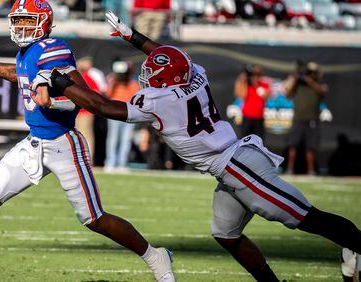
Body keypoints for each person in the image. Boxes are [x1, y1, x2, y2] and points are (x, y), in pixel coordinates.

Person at [31, 11, 361, 281]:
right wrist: (133, 37)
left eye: (155, 73)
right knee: (226, 233)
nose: (150, 74)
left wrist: (60, 81)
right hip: (231, 163)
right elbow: (170, 56)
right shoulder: (194, 72)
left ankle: (353, 245)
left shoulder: (159, 100)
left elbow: (104, 107)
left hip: (238, 167)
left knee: (305, 218)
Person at [0, 2, 174, 282]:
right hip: (34, 143)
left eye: (28, 21)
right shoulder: (28, 52)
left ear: (43, 22)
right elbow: (21, 76)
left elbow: (81, 99)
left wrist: (52, 100)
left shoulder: (53, 49)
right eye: (18, 21)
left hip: (63, 143)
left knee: (95, 219)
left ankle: (154, 256)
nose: (21, 27)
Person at [284, 61, 327, 175]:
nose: (311, 75)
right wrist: (295, 79)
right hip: (298, 119)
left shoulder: (318, 84)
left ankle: (311, 170)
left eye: (313, 73)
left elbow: (323, 91)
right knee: (293, 145)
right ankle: (289, 169)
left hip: (312, 120)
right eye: (309, 73)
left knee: (310, 147)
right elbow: (288, 95)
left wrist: (311, 81)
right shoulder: (298, 85)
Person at [104, 60, 139, 171]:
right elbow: (107, 94)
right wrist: (114, 82)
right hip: (114, 114)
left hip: (128, 115)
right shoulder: (113, 82)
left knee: (126, 139)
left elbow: (136, 97)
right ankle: (110, 162)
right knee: (113, 139)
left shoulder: (132, 83)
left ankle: (122, 163)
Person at [75, 56, 107, 161]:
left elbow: (97, 92)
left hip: (85, 111)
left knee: (86, 135)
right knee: (79, 135)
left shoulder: (88, 78)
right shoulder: (77, 77)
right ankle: (81, 158)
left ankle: (88, 159)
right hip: (77, 111)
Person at [234, 64, 270, 139]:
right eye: (253, 74)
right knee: (244, 140)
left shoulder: (263, 85)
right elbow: (241, 95)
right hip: (247, 117)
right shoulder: (246, 85)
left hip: (259, 118)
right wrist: (242, 80)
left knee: (258, 141)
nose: (255, 77)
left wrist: (256, 85)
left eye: (258, 75)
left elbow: (266, 96)